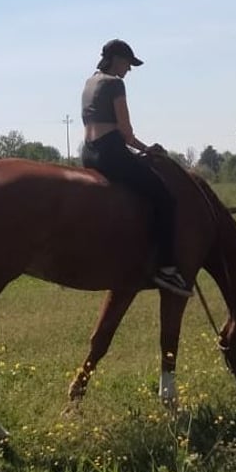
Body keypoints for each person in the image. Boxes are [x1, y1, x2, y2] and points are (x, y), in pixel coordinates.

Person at [81, 38, 192, 297]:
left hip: (89, 153)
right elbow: (126, 132)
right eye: (128, 63)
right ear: (116, 60)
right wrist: (147, 149)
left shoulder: (90, 82)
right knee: (165, 198)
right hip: (111, 152)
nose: (129, 69)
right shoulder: (114, 84)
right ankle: (166, 268)